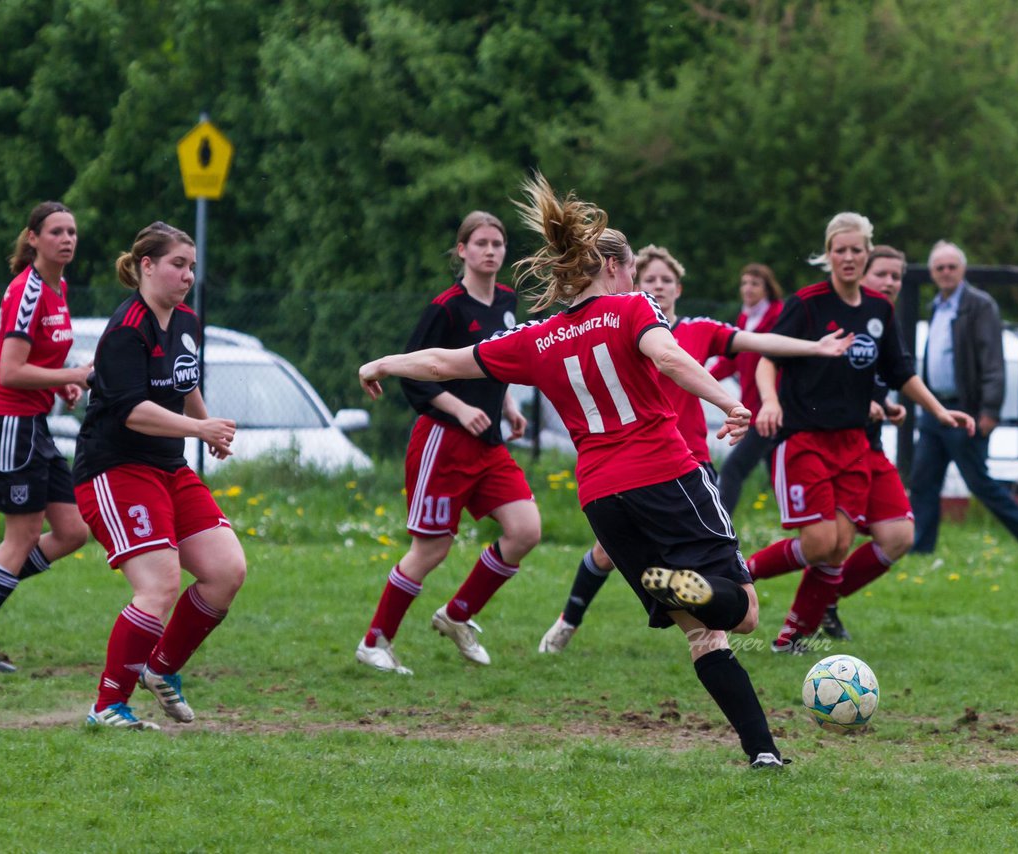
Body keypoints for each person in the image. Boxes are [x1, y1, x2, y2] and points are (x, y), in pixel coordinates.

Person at [360, 174, 787, 768]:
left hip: (603, 496)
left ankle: (762, 753)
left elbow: (443, 362)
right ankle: (693, 596)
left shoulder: (536, 339)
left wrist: (382, 361)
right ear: (612, 269)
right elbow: (668, 356)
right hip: (666, 473)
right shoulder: (631, 310)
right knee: (741, 611)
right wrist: (728, 401)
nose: (637, 279)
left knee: (700, 633)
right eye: (633, 268)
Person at [538, 244, 852, 654]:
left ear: (679, 288)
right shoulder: (615, 327)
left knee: (702, 559)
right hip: (631, 466)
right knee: (606, 553)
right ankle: (568, 622)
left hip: (690, 465)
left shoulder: (696, 330)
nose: (659, 287)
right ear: (629, 280)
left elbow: (755, 341)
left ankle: (712, 637)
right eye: (650, 279)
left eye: (666, 281)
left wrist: (814, 348)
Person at [746, 216, 974, 653]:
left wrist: (939, 410)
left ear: (867, 252)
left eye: (856, 250)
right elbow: (766, 356)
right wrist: (770, 402)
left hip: (853, 443)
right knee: (819, 543)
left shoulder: (879, 310)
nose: (848, 258)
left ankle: (791, 639)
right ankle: (740, 572)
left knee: (840, 546)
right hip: (805, 437)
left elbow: (900, 372)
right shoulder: (807, 304)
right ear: (828, 253)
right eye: (840, 250)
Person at [73, 221, 245, 729]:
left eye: (191, 266)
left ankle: (161, 667)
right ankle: (107, 706)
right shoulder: (126, 330)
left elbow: (185, 381)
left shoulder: (187, 322)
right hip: (115, 468)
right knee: (159, 585)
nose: (187, 275)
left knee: (225, 571)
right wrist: (199, 426)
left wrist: (207, 427)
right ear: (146, 266)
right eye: (177, 264)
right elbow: (131, 412)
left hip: (167, 467)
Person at [354, 211, 540, 676]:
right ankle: (374, 642)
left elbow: (493, 363)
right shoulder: (446, 308)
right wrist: (459, 410)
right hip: (444, 441)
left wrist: (510, 406)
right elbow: (418, 375)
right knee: (432, 549)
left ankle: (457, 615)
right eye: (480, 243)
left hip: (487, 443)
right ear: (462, 250)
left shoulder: (507, 301)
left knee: (525, 530)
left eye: (498, 243)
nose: (491, 250)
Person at [0, 202, 92, 672]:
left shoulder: (58, 286)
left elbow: (36, 363)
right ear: (32, 239)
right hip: (8, 424)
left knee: (72, 531)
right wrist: (74, 373)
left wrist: (61, 381)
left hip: (32, 426)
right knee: (22, 535)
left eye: (71, 231)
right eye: (55, 232)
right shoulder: (28, 290)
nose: (66, 239)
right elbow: (8, 371)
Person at [909, 240, 1018, 557]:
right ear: (932, 273)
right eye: (939, 268)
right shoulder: (937, 305)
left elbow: (993, 362)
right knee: (923, 480)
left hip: (966, 410)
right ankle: (920, 548)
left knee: (980, 484)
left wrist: (989, 410)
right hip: (936, 409)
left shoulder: (979, 304)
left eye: (952, 267)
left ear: (962, 270)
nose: (946, 273)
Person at [711, 264, 785, 514]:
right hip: (752, 407)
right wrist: (697, 376)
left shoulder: (777, 315)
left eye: (755, 283)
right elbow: (731, 359)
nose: (748, 289)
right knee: (779, 475)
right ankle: (806, 526)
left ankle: (720, 532)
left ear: (767, 288)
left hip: (770, 411)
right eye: (744, 283)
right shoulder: (745, 318)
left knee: (733, 469)